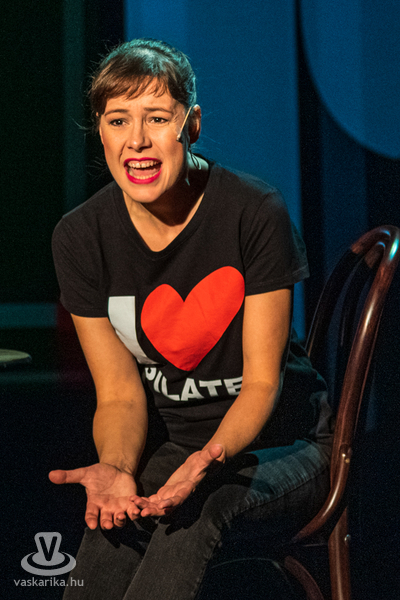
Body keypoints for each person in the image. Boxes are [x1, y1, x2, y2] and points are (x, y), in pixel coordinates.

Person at [49, 38, 333, 599]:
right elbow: (120, 396)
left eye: (157, 118)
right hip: (179, 450)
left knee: (197, 514)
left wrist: (208, 460)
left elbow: (262, 383)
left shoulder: (253, 211)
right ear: (100, 132)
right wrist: (117, 467)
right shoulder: (81, 236)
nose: (137, 140)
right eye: (118, 120)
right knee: (112, 525)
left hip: (287, 446)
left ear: (192, 124)